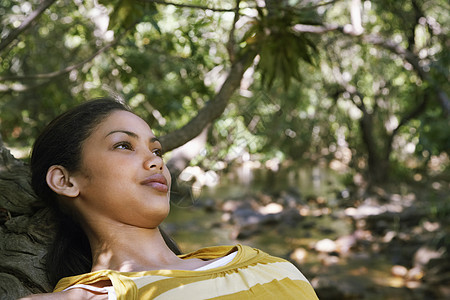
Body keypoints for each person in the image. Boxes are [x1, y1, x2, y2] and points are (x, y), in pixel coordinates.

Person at [21, 98, 319, 299]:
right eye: (124, 145)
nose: (155, 161)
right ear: (65, 180)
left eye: (157, 150)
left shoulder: (267, 266)